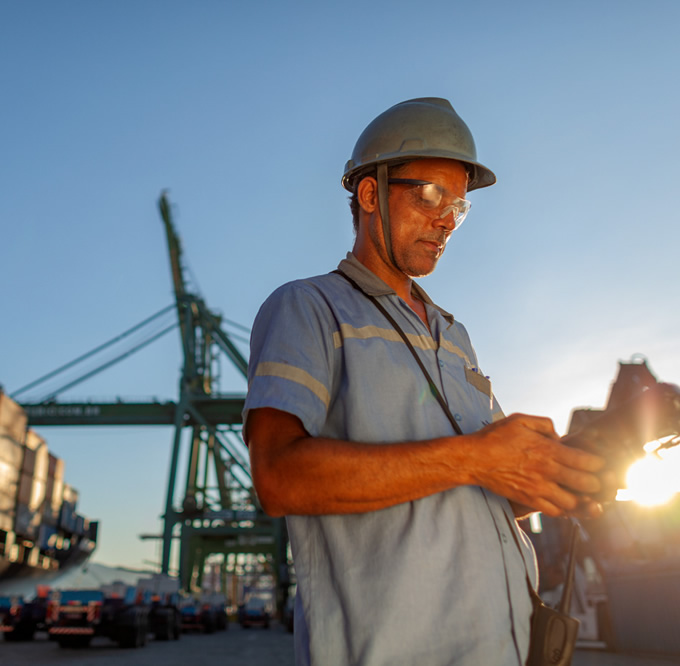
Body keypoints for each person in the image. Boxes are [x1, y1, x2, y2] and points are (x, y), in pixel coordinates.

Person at [243, 98, 608, 666]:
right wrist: (473, 458)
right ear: (369, 195)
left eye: (457, 207)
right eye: (430, 196)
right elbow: (278, 476)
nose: (446, 220)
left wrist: (555, 476)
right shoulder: (309, 308)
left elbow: (478, 487)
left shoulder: (453, 333)